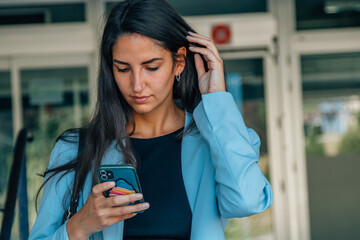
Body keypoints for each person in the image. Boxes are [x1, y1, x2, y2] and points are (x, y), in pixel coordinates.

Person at [29, 0, 273, 239]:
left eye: (151, 67)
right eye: (123, 69)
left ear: (179, 62)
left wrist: (217, 99)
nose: (136, 85)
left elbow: (248, 201)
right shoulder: (75, 149)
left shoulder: (216, 142)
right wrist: (80, 226)